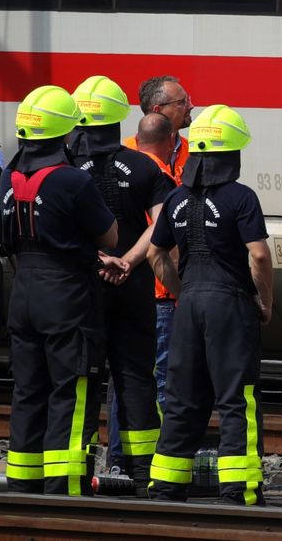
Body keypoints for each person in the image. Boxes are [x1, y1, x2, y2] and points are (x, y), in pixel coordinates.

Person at [147, 104, 274, 505]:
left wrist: (184, 294)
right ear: (232, 153)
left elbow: (155, 255)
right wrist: (264, 302)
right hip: (230, 305)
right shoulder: (242, 197)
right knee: (238, 397)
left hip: (189, 308)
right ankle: (239, 489)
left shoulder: (176, 199)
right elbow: (258, 256)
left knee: (183, 398)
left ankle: (166, 486)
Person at [1, 85, 118, 496]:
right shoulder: (72, 180)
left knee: (29, 388)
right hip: (67, 296)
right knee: (72, 389)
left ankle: (23, 479)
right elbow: (109, 235)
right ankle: (65, 485)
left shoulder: (8, 177)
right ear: (67, 133)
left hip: (24, 293)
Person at [70, 76, 174, 493]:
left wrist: (99, 261)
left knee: (83, 379)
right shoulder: (145, 166)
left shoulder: (64, 169)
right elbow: (163, 221)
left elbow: (61, 230)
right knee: (136, 378)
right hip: (133, 289)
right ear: (120, 119)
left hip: (84, 289)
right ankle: (142, 471)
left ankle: (77, 469)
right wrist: (129, 261)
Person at [127, 113, 181, 413]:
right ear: (169, 140)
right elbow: (162, 243)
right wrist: (181, 291)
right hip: (161, 292)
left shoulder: (123, 167)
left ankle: (125, 456)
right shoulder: (159, 177)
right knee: (164, 378)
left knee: (132, 375)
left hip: (134, 288)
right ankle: (164, 449)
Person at [126, 75, 194, 178]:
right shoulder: (127, 153)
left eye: (188, 100)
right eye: (182, 102)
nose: (191, 106)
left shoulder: (193, 152)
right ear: (157, 111)